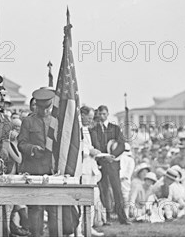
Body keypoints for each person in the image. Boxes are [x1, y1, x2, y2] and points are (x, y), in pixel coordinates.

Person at [18, 88, 79, 237]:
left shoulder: (58, 122)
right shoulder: (28, 121)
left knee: (54, 208)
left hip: (53, 171)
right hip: (34, 170)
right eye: (41, 108)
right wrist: (32, 148)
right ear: (36, 106)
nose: (44, 111)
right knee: (36, 209)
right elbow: (21, 143)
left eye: (47, 108)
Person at [90, 105, 131, 224]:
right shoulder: (94, 130)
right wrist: (104, 157)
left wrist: (112, 156)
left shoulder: (115, 128)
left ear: (108, 114)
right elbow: (96, 146)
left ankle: (122, 218)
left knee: (117, 191)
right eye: (100, 114)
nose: (102, 116)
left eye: (104, 114)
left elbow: (122, 145)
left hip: (113, 163)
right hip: (101, 163)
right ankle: (106, 218)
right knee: (104, 191)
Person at [79, 105, 105, 236]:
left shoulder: (87, 130)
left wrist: (95, 151)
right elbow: (77, 149)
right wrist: (90, 151)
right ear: (82, 115)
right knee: (82, 199)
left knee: (94, 198)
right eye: (88, 118)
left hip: (92, 169)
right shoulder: (76, 129)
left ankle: (89, 227)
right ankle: (78, 229)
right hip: (83, 170)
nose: (90, 120)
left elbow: (89, 147)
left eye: (91, 118)